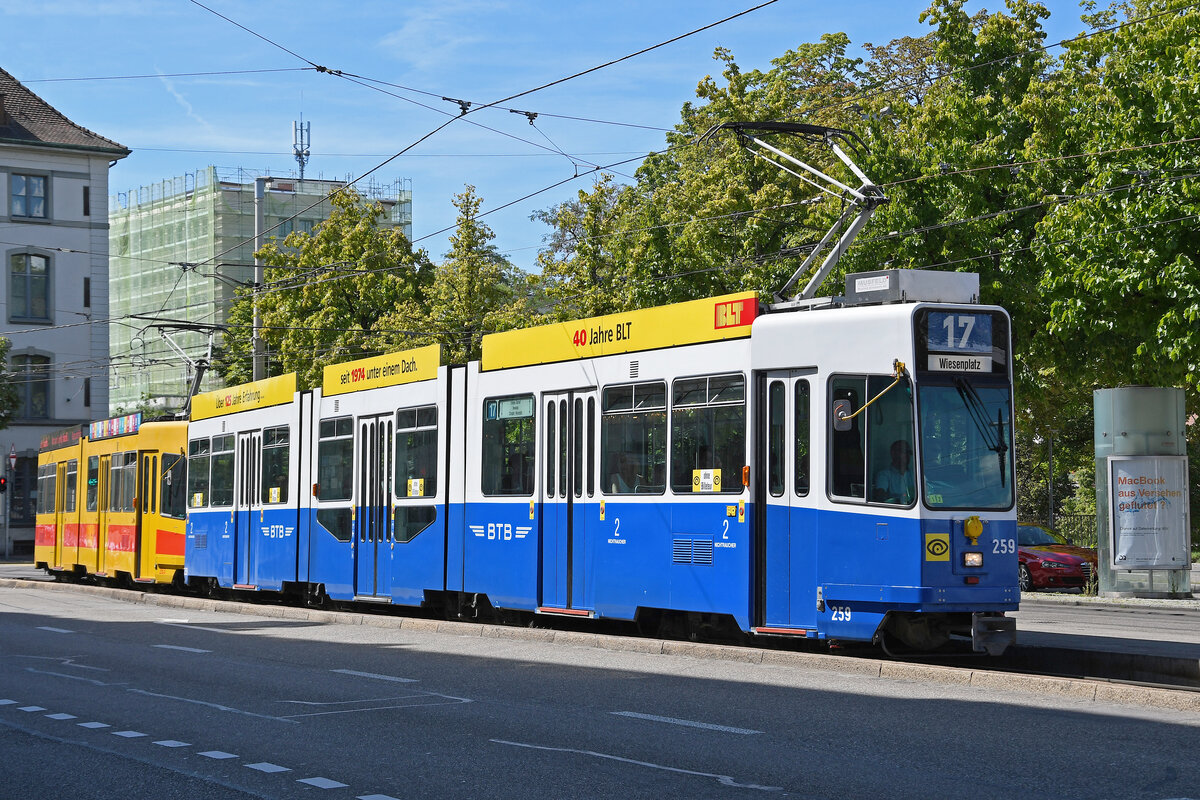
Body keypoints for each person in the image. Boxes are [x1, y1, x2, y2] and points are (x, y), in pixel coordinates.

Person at [874, 439, 914, 504]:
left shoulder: (915, 475)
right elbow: (880, 495)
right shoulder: (884, 475)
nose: (907, 456)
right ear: (893, 454)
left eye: (908, 453)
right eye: (903, 452)